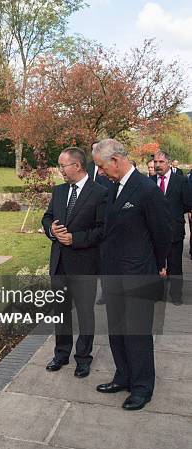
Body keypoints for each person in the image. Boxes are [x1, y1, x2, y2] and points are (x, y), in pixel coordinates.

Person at [92, 139, 172, 411]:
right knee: (117, 330)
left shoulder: (146, 190)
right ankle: (123, 376)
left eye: (101, 166)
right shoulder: (113, 187)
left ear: (115, 160)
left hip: (138, 274)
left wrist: (158, 264)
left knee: (137, 333)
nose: (100, 172)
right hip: (113, 273)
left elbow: (163, 233)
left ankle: (142, 387)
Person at [42, 147, 108, 378]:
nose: (60, 170)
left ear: (77, 166)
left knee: (85, 313)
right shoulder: (59, 191)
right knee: (61, 311)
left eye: (63, 166)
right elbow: (47, 216)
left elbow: (102, 230)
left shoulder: (100, 193)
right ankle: (61, 354)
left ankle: (83, 358)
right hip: (59, 262)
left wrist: (75, 238)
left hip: (84, 265)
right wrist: (51, 229)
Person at [151, 151, 192, 304]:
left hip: (174, 230)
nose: (157, 165)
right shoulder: (150, 181)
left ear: (168, 163)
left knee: (175, 265)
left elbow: (188, 202)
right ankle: (157, 294)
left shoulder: (180, 181)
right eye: (155, 162)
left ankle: (176, 295)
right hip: (154, 232)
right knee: (156, 264)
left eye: (161, 162)